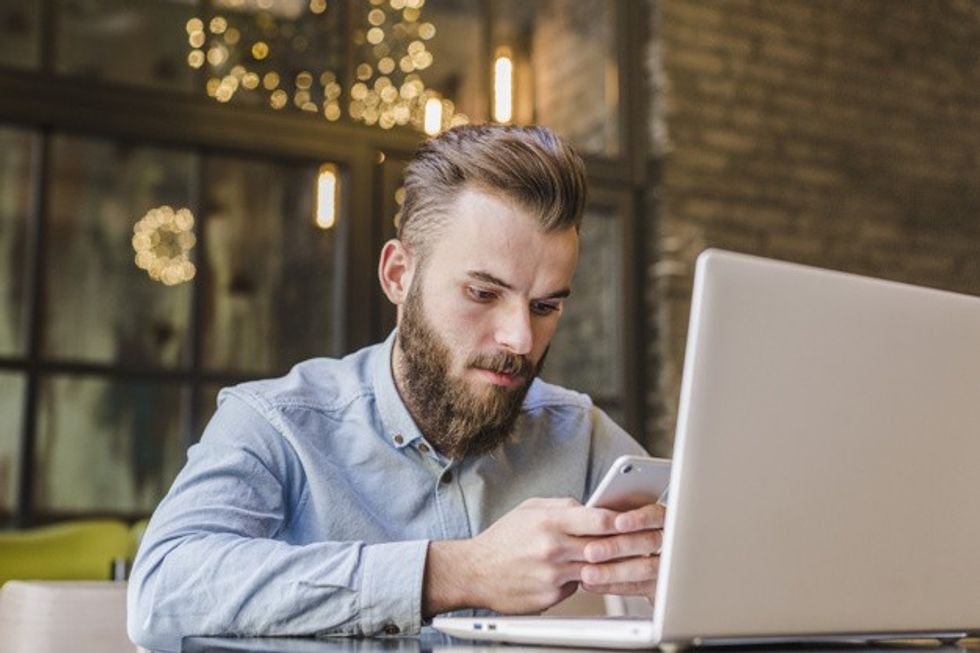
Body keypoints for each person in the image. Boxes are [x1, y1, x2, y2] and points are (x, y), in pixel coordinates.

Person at [127, 124, 665, 653]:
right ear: (399, 275)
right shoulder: (277, 423)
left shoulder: (582, 436)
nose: (521, 339)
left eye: (545, 306)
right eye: (482, 293)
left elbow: (716, 574)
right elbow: (162, 591)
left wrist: (678, 572)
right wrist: (458, 572)